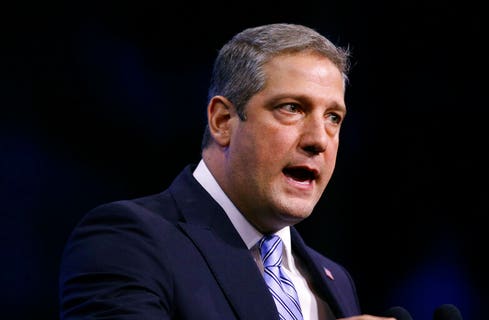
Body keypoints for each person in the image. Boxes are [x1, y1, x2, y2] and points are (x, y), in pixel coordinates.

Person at [59, 23, 396, 320]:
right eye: (292, 108)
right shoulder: (129, 240)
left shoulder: (335, 280)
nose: (319, 140)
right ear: (223, 121)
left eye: (333, 117)